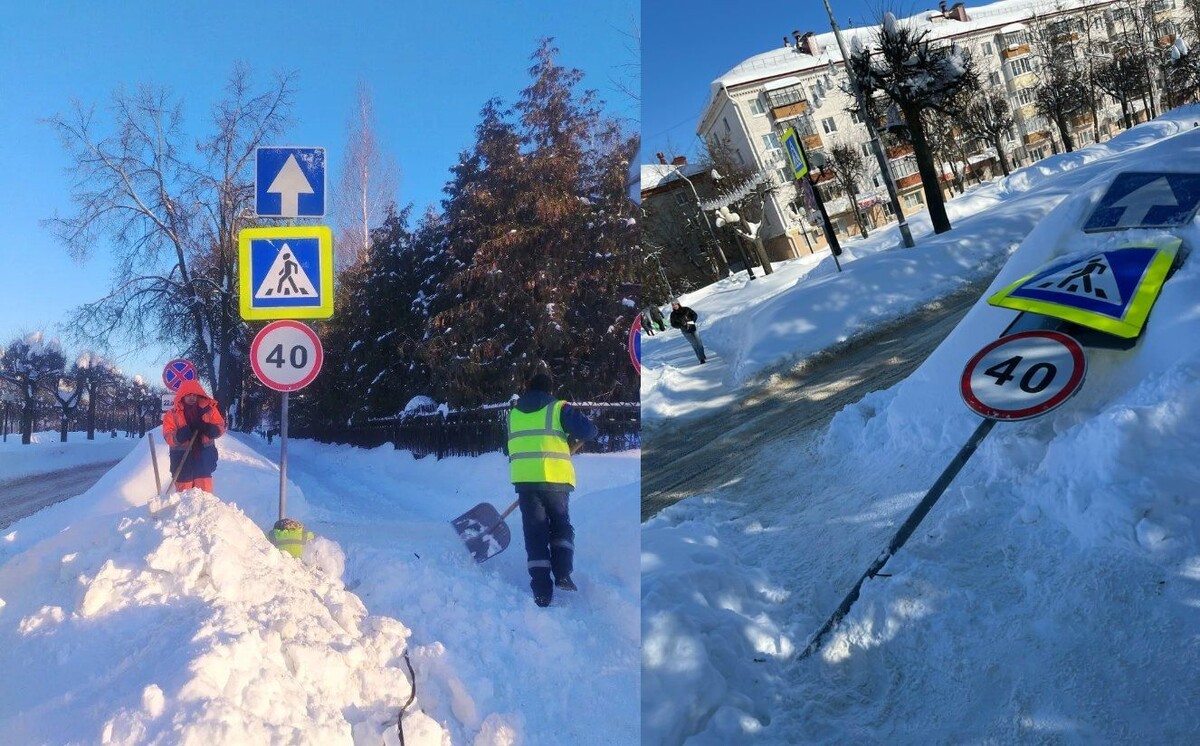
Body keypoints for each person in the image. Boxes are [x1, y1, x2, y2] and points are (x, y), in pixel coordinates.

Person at [507, 369, 598, 607]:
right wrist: (591, 430)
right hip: (555, 480)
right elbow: (588, 431)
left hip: (525, 482)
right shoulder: (558, 408)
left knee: (534, 532)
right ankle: (562, 573)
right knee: (560, 526)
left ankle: (541, 592)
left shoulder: (513, 414)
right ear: (549, 389)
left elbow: (512, 445)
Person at [162, 379, 226, 492]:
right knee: (183, 500)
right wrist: (187, 430)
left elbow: (220, 428)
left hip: (204, 461)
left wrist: (205, 427)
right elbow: (169, 437)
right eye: (188, 395)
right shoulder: (172, 414)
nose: (192, 398)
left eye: (194, 395)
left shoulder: (209, 410)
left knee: (205, 499)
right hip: (182, 463)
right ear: (182, 396)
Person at [669, 299, 707, 364]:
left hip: (693, 328)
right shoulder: (673, 314)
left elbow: (695, 315)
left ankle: (702, 356)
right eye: (673, 305)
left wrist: (691, 321)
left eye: (675, 304)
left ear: (678, 303)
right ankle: (701, 358)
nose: (674, 306)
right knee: (694, 344)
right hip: (685, 330)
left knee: (699, 343)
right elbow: (673, 324)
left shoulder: (686, 309)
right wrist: (680, 326)